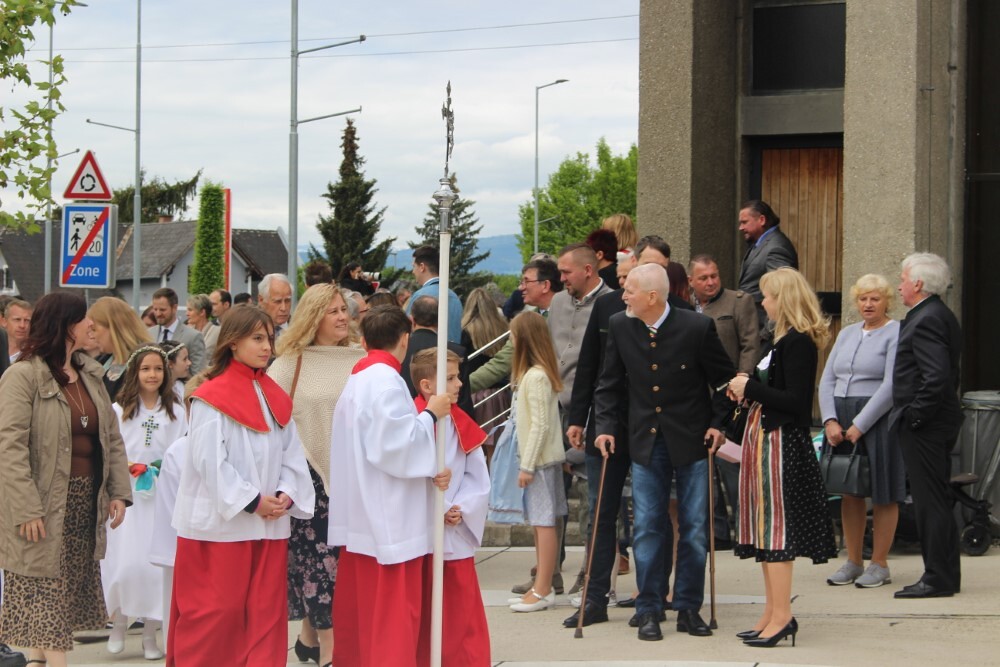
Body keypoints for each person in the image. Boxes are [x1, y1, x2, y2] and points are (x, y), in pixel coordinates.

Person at [168, 305, 316, 667]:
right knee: (216, 615)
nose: (267, 347)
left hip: (268, 527)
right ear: (232, 343)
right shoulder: (210, 398)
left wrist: (286, 493)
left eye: (270, 338)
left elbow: (292, 454)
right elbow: (208, 462)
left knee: (265, 616)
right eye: (257, 338)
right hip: (221, 530)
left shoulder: (274, 396)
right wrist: (252, 501)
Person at [594, 263, 734, 641]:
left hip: (691, 439)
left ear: (652, 296)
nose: (623, 296)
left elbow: (724, 381)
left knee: (694, 528)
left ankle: (687, 606)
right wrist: (605, 427)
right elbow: (608, 384)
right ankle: (649, 607)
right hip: (645, 440)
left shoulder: (696, 327)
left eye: (630, 290)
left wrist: (718, 424)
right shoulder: (621, 326)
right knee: (647, 527)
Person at [0, 292, 132, 667]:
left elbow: (111, 439)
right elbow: (8, 448)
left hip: (84, 502)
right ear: (65, 326)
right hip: (41, 502)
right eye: (83, 318)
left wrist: (118, 491)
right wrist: (27, 508)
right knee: (45, 589)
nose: (91, 325)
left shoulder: (89, 374)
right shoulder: (23, 376)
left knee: (62, 591)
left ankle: (38, 661)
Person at [327, 305, 452, 666]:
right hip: (390, 519)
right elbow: (394, 447)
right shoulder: (385, 381)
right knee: (393, 618)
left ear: (364, 340)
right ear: (405, 339)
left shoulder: (358, 379)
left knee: (365, 615)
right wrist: (431, 414)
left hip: (364, 510)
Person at [727, 267, 837, 648]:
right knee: (765, 529)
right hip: (764, 441)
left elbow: (795, 401)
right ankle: (771, 612)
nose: (763, 303)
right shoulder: (780, 340)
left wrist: (749, 387)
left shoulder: (799, 342)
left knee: (776, 531)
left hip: (781, 444)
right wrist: (748, 391)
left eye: (769, 297)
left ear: (785, 300)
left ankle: (783, 616)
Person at [267, 284, 365, 667]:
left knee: (340, 563)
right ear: (313, 317)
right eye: (333, 311)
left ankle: (308, 637)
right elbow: (268, 418)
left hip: (352, 478)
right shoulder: (289, 363)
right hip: (307, 482)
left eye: (344, 309)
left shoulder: (360, 359)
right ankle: (329, 650)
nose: (342, 316)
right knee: (319, 565)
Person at [819, 274, 904, 588]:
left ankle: (879, 564)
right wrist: (829, 420)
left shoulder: (896, 332)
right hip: (840, 417)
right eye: (863, 299)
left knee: (884, 491)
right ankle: (853, 561)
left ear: (886, 301)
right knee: (849, 489)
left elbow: (892, 384)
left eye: (875, 299)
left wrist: (860, 425)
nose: (868, 304)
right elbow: (827, 379)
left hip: (877, 418)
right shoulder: (846, 333)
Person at [103, 345, 187, 660]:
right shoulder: (118, 409)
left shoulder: (175, 411)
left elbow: (181, 451)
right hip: (129, 496)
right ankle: (119, 623)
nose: (152, 375)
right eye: (146, 369)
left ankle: (151, 633)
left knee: (156, 567)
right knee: (127, 563)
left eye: (158, 369)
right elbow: (111, 450)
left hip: (161, 496)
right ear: (134, 373)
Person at [410, 348, 491, 665]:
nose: (460, 384)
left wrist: (461, 507)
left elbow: (476, 475)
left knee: (460, 615)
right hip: (420, 534)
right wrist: (437, 506)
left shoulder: (461, 423)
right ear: (427, 386)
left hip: (454, 534)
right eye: (451, 378)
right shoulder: (410, 423)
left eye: (458, 377)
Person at [890, 253, 963, 599]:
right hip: (935, 421)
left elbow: (937, 377)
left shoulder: (927, 318)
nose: (899, 286)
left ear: (917, 284)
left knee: (929, 501)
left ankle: (937, 577)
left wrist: (915, 416)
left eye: (903, 279)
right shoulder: (935, 314)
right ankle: (945, 574)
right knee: (936, 498)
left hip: (926, 425)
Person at [688, 254, 761, 546]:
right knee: (705, 470)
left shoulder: (738, 302)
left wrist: (743, 380)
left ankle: (746, 530)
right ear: (691, 281)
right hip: (697, 399)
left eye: (714, 275)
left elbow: (750, 344)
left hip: (731, 398)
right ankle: (717, 533)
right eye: (703, 278)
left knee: (732, 466)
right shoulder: (685, 307)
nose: (711, 282)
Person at [506, 311, 568, 613]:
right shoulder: (535, 375)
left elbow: (540, 426)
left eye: (513, 335)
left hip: (540, 463)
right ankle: (540, 586)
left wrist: (527, 465)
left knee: (544, 524)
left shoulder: (536, 377)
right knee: (540, 523)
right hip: (540, 461)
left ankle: (543, 588)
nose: (510, 340)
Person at [401, 296, 475, 416]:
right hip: (444, 418)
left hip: (406, 416)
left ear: (412, 320)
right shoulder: (455, 350)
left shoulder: (402, 349)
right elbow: (464, 402)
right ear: (440, 321)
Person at [736, 200, 799, 328]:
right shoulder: (759, 244)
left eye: (744, 222)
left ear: (762, 220)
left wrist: (766, 333)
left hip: (764, 329)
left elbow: (781, 295)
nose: (740, 228)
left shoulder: (776, 248)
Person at [88, 296, 155, 401]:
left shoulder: (146, 363)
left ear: (113, 328)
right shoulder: (101, 361)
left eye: (94, 329)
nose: (91, 335)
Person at [407, 245, 463, 344]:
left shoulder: (420, 297)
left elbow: (407, 329)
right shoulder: (454, 297)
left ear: (422, 267)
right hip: (453, 352)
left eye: (414, 266)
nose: (413, 271)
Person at [147, 287, 208, 374]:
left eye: (162, 310)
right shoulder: (149, 334)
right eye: (155, 309)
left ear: (174, 308)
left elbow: (198, 374)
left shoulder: (193, 336)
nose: (158, 314)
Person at [186, 293, 220, 360]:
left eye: (190, 310)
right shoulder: (187, 331)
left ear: (202, 312)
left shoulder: (217, 332)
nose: (187, 314)